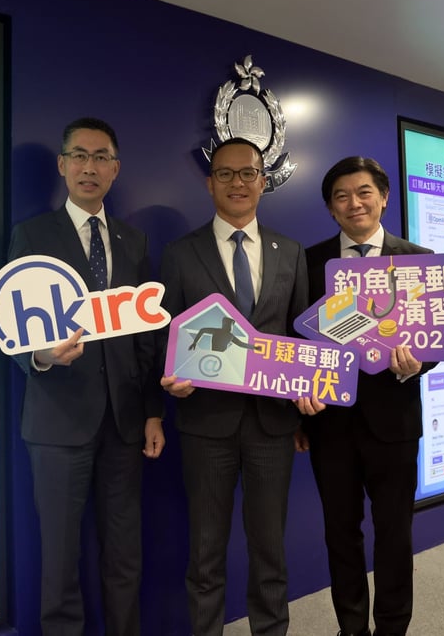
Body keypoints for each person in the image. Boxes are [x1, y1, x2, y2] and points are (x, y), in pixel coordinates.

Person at [7, 117, 165, 636]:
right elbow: (5, 328)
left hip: (123, 424)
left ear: (115, 169)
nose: (89, 167)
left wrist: (151, 412)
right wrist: (43, 356)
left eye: (101, 158)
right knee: (60, 558)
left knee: (125, 555)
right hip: (57, 422)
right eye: (79, 155)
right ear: (62, 165)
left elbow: (145, 340)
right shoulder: (31, 235)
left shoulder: (133, 240)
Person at [160, 137, 307, 636]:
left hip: (272, 424)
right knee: (205, 552)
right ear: (209, 183)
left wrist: (307, 391)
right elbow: (166, 335)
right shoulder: (180, 255)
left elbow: (301, 335)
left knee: (270, 549)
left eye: (248, 173)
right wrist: (171, 380)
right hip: (205, 422)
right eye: (225, 174)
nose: (237, 183)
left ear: (263, 181)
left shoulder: (290, 252)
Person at [295, 156, 432, 636]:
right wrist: (299, 405)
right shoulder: (307, 262)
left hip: (393, 421)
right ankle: (351, 627)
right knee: (340, 535)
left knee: (395, 534)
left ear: (384, 197)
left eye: (364, 192)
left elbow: (433, 340)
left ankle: (392, 627)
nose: (354, 203)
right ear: (331, 209)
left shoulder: (418, 260)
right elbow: (294, 345)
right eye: (341, 196)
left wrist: (418, 362)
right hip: (329, 423)